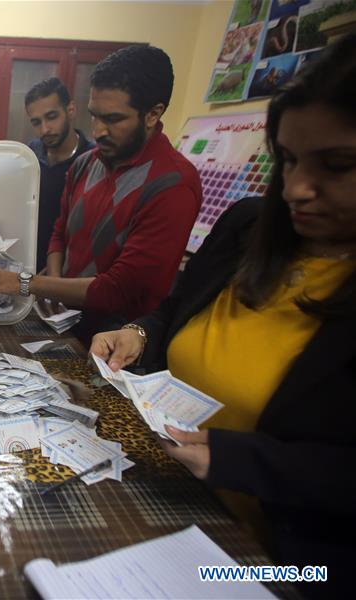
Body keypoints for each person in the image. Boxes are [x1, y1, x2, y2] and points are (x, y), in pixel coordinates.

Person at [91, 33, 356, 599]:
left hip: (285, 564)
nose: (298, 189)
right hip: (174, 499)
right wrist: (138, 333)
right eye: (287, 160)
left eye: (336, 165)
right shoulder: (249, 225)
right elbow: (175, 308)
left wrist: (248, 461)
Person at [0, 45, 202, 343]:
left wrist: (29, 284)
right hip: (61, 321)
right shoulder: (85, 164)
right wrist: (52, 285)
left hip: (115, 341)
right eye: (95, 116)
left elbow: (118, 289)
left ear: (152, 114)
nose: (99, 131)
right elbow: (60, 234)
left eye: (114, 119)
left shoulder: (173, 185)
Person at [24, 77, 94, 272]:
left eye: (52, 117)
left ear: (70, 110)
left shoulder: (92, 161)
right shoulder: (31, 154)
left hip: (70, 272)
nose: (45, 129)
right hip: (29, 263)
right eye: (36, 122)